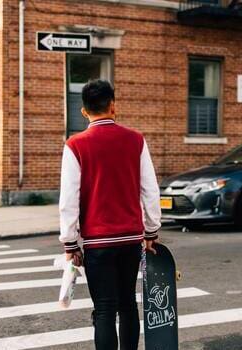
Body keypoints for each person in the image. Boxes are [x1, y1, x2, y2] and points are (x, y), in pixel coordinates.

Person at [58, 79, 162, 350]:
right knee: (128, 304)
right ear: (113, 105)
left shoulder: (75, 145)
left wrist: (70, 243)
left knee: (104, 309)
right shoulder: (135, 140)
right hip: (130, 241)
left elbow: (68, 199)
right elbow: (150, 190)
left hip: (97, 243)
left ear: (84, 111)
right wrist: (151, 232)